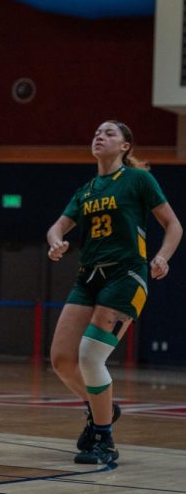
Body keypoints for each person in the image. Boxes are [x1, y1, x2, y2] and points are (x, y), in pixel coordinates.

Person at [47, 120, 181, 465]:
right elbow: (58, 225)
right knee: (62, 359)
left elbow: (173, 224)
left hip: (126, 276)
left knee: (91, 357)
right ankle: (103, 408)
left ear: (125, 146)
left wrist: (163, 256)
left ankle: (104, 439)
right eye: (96, 132)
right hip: (87, 278)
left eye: (108, 133)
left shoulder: (138, 180)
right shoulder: (88, 188)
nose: (99, 136)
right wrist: (56, 241)